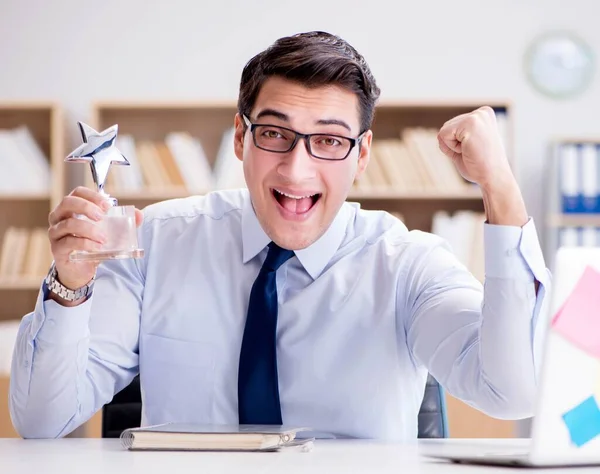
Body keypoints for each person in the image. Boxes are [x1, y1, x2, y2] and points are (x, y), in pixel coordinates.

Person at [9, 30, 550, 440]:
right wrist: (70, 285)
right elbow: (41, 421)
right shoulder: (158, 243)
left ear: (361, 155)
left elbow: (510, 392)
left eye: (330, 142)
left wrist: (499, 185)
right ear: (241, 137)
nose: (296, 170)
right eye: (275, 134)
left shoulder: (406, 263)